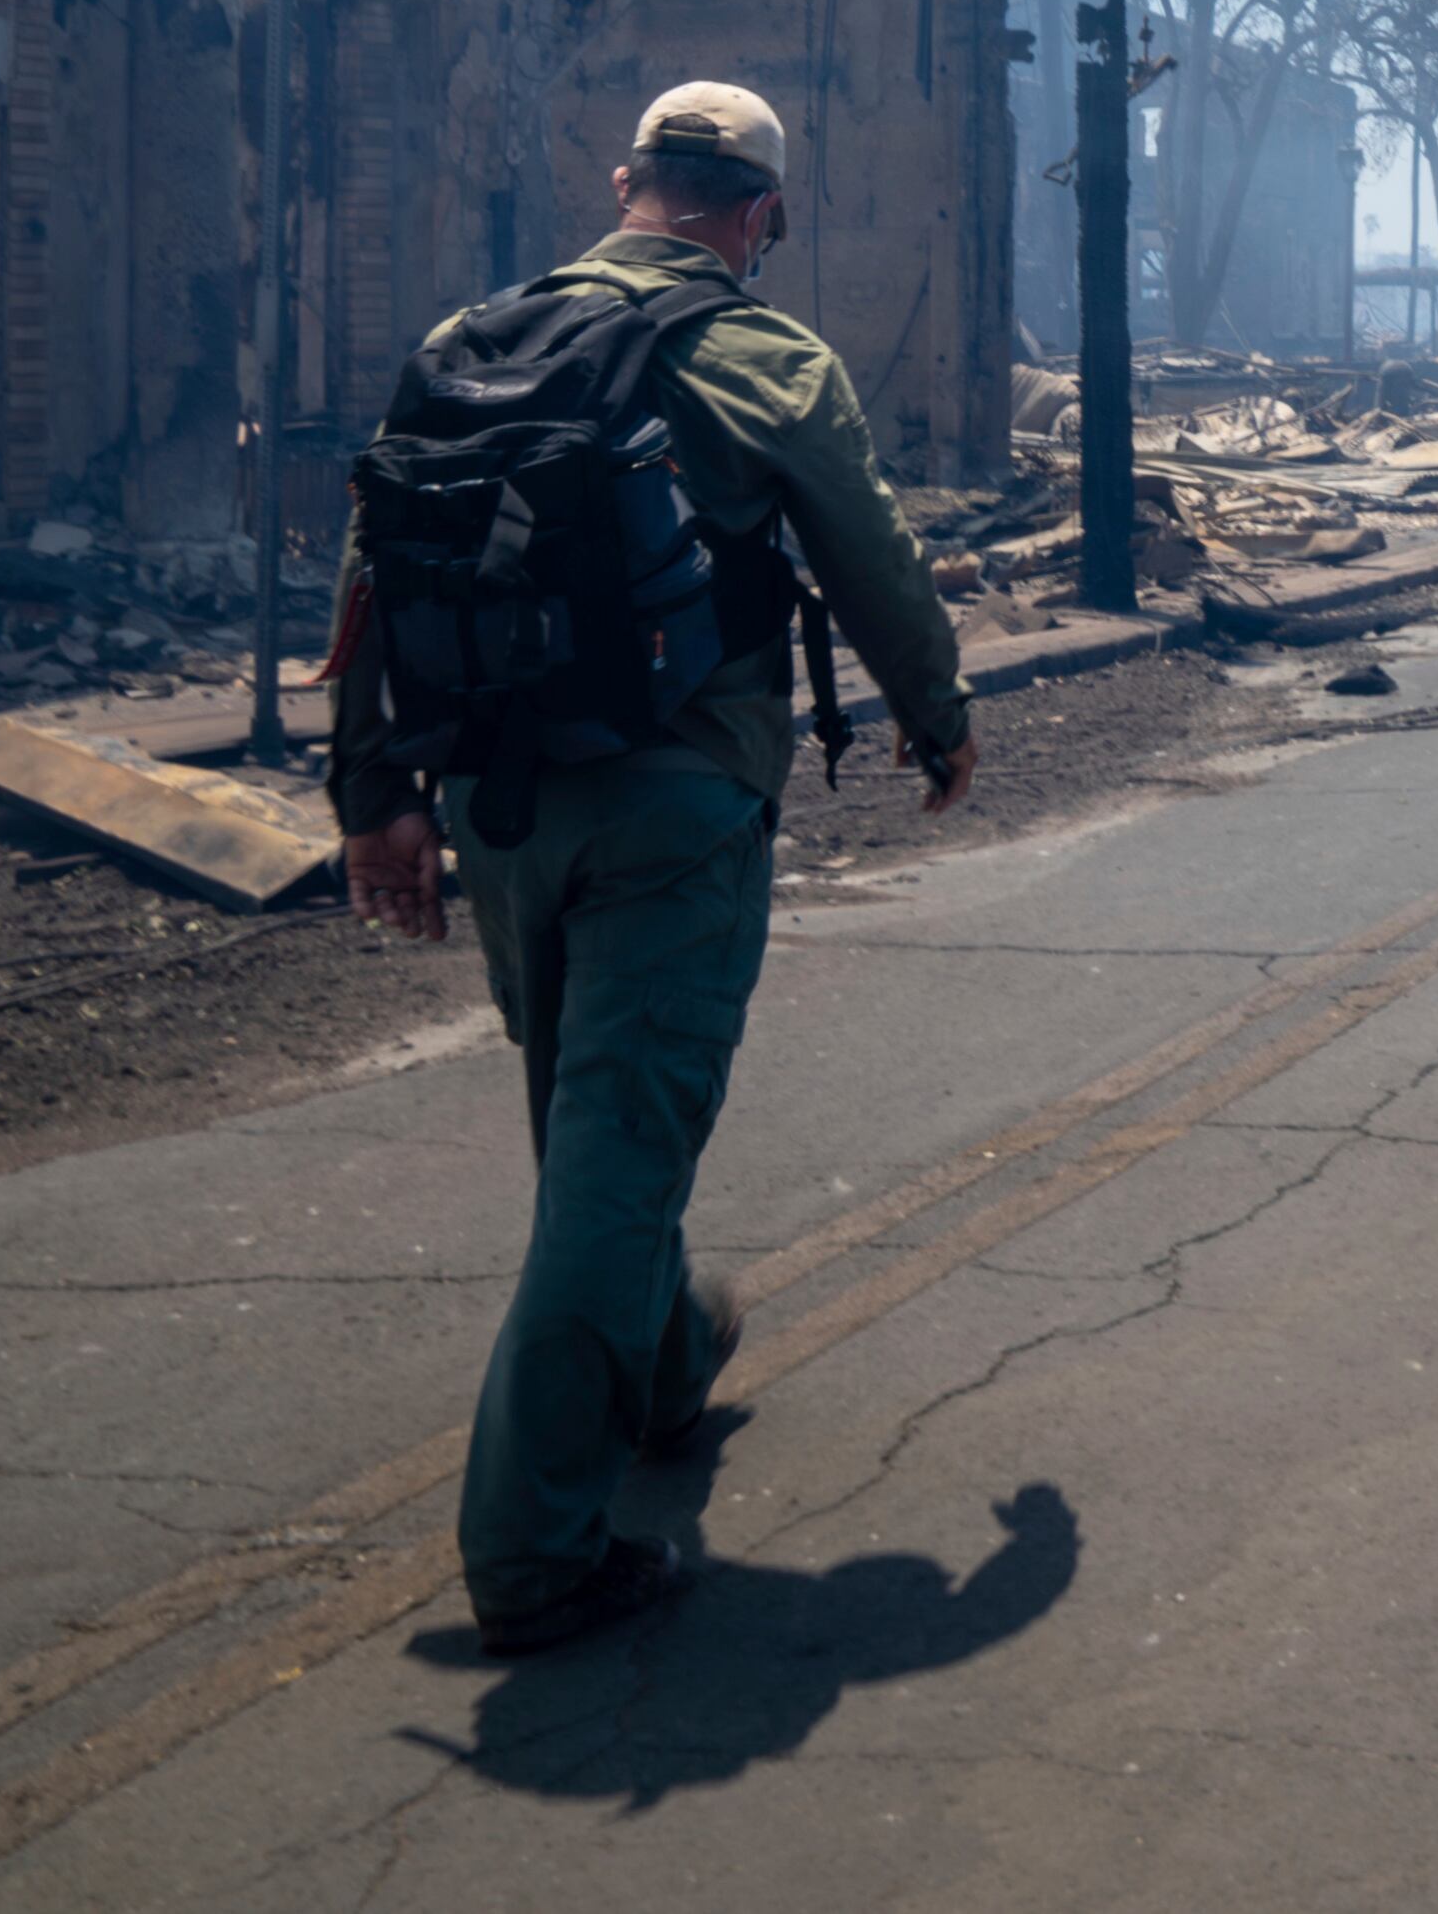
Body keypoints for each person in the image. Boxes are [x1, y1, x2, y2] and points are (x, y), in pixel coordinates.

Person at [332, 81, 977, 1657]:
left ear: (626, 181)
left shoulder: (473, 338)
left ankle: (672, 1355)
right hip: (674, 808)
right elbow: (870, 556)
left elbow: (375, 564)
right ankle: (535, 1551)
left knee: (591, 1124)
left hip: (495, 811)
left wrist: (375, 799)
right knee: (618, 1148)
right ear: (758, 215)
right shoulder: (765, 353)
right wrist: (939, 718)